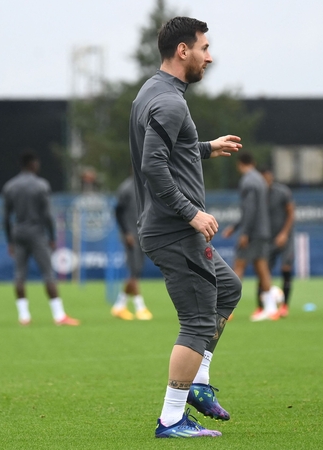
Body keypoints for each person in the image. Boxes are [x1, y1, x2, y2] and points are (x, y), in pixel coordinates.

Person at [129, 17, 242, 438]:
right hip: (173, 228)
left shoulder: (154, 91)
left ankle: (197, 383)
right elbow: (153, 165)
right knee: (196, 320)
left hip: (170, 226)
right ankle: (172, 417)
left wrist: (208, 148)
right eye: (204, 48)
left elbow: (169, 151)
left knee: (228, 289)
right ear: (183, 51)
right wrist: (191, 212)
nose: (209, 57)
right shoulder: (170, 101)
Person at [2, 152, 79, 326]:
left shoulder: (10, 186)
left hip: (18, 232)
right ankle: (59, 315)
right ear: (33, 164)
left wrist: (9, 241)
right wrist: (52, 237)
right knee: (48, 273)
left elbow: (6, 217)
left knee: (19, 274)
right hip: (36, 232)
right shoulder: (41, 185)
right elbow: (46, 214)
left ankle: (24, 316)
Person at [223, 153, 279, 322]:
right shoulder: (260, 180)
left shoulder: (248, 181)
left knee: (238, 267)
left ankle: (227, 309)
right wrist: (235, 227)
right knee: (262, 267)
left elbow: (250, 209)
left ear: (239, 165)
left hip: (252, 232)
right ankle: (271, 308)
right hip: (263, 230)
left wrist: (244, 232)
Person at [111, 174, 153, 320]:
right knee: (134, 269)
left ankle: (119, 306)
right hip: (131, 236)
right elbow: (117, 211)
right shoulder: (126, 187)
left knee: (137, 270)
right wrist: (126, 232)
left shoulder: (148, 186)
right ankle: (140, 307)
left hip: (143, 234)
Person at [261, 167, 295, 317]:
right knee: (264, 271)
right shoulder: (258, 194)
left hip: (285, 237)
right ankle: (262, 307)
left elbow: (291, 213)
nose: (267, 181)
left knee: (286, 267)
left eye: (269, 178)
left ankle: (285, 306)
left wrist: (284, 233)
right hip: (267, 238)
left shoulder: (282, 192)